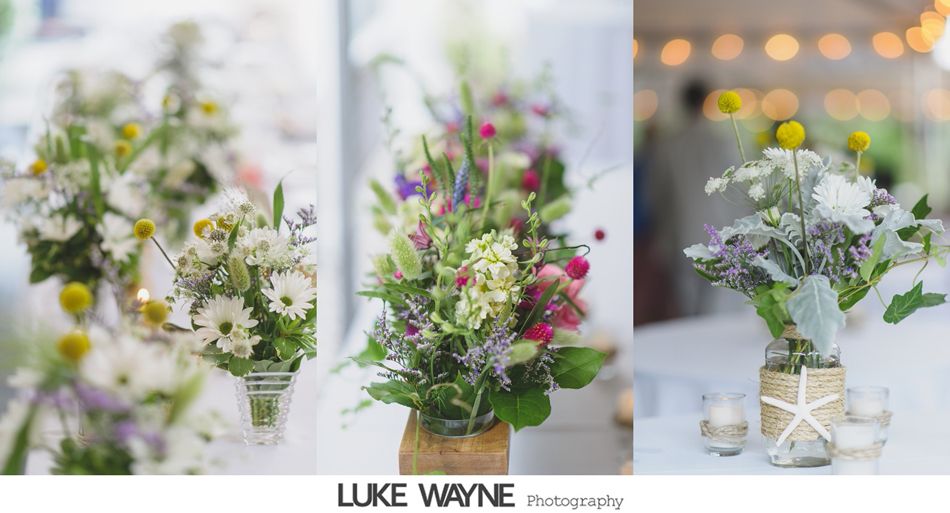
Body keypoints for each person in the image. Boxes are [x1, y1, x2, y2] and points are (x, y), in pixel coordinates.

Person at [646, 79, 747, 317]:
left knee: (687, 305)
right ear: (705, 101)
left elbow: (655, 192)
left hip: (681, 230)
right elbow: (739, 190)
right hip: (719, 230)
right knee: (715, 303)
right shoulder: (723, 142)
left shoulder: (668, 144)